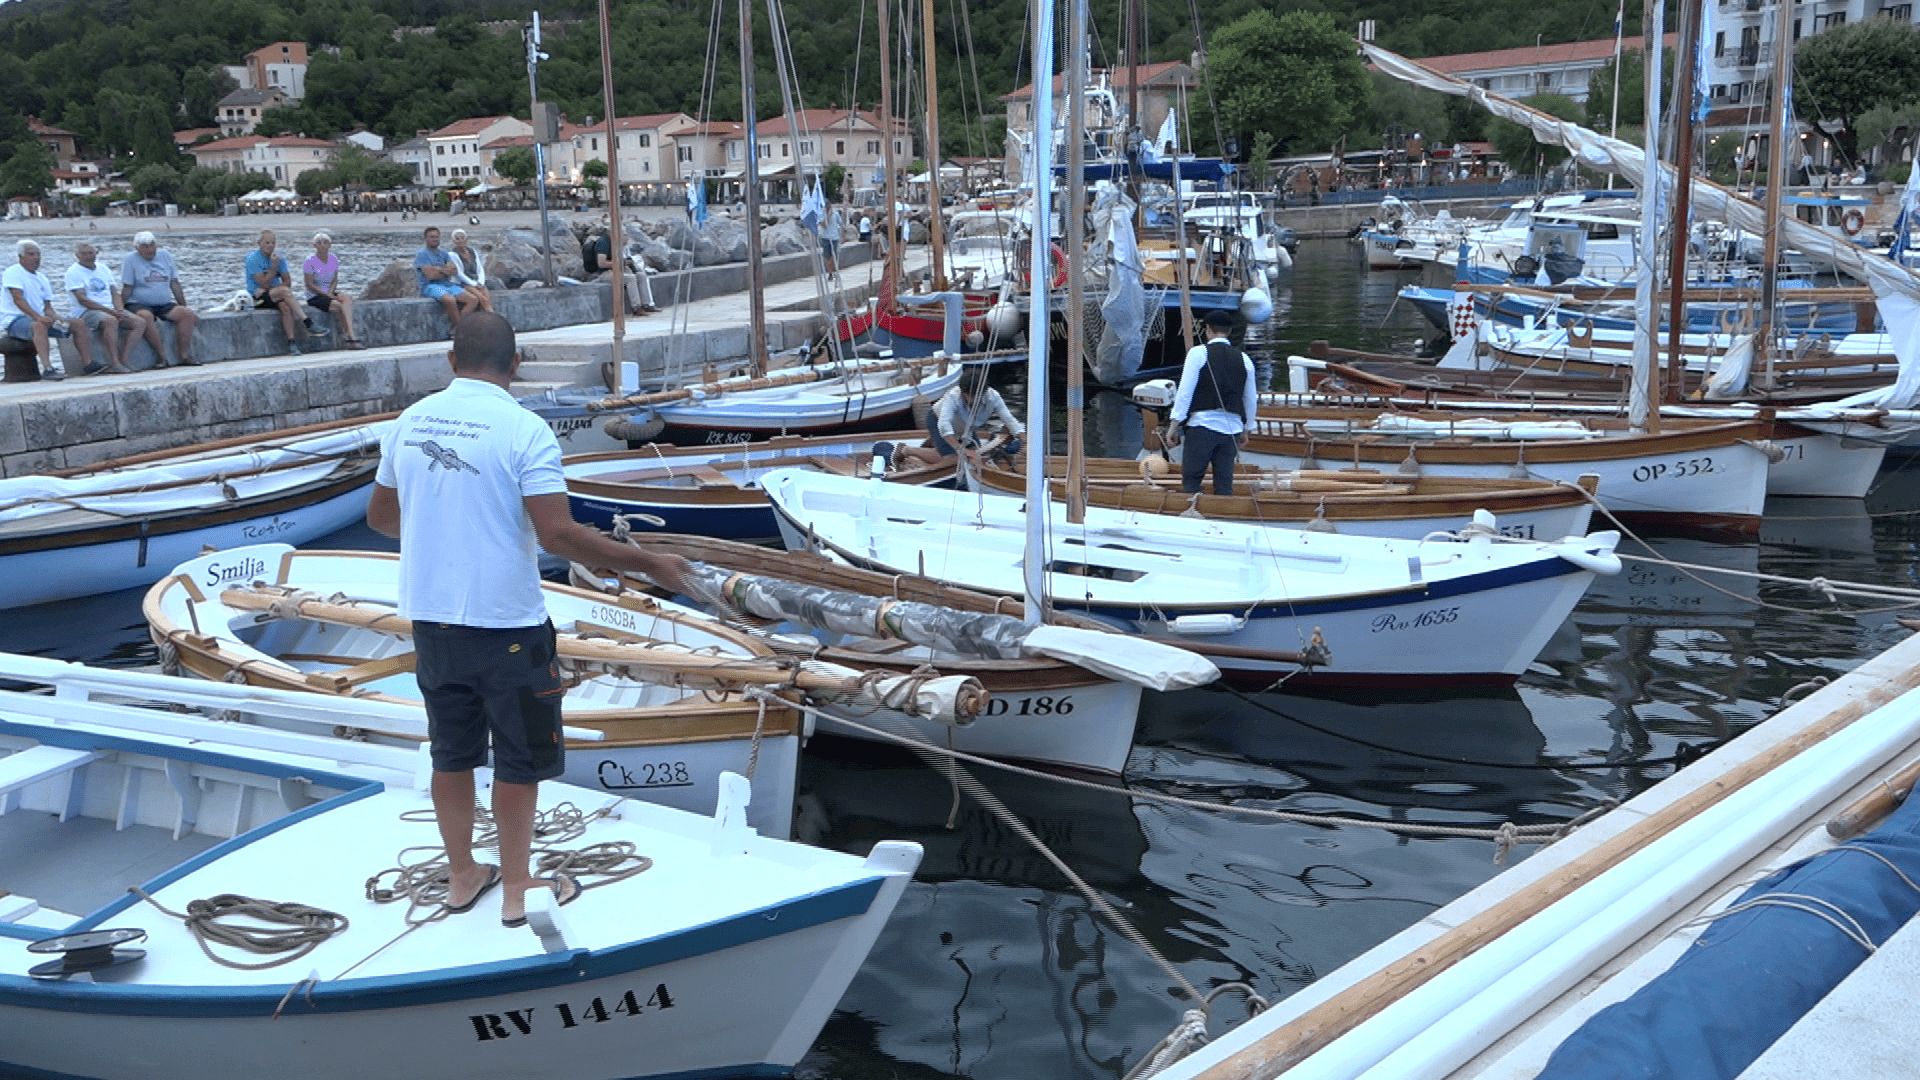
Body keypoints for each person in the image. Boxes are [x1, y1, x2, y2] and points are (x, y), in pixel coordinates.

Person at [365, 311, 692, 927]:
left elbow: (381, 518)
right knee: (517, 761)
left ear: (450, 361)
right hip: (507, 626)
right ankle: (517, 888)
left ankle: (464, 874)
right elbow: (559, 535)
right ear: (516, 365)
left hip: (432, 623)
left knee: (451, 754)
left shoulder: (409, 423)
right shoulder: (524, 430)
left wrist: (445, 534)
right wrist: (650, 564)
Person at [1166, 309, 1258, 496]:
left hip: (1202, 427)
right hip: (1231, 430)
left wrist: (1174, 425)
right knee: (1224, 484)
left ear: (1207, 329)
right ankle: (1223, 518)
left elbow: (1185, 391)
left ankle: (1192, 515)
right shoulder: (1244, 359)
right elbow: (1250, 398)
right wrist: (1246, 428)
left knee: (1191, 481)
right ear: (1230, 331)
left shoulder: (1198, 353)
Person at [899, 373, 1025, 467]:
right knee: (953, 459)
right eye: (971, 395)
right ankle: (907, 450)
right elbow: (944, 425)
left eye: (978, 395)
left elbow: (1009, 420)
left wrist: (1025, 442)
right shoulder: (953, 397)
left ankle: (937, 448)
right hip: (937, 420)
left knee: (976, 455)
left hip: (966, 426)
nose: (974, 400)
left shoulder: (993, 397)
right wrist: (960, 449)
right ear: (963, 392)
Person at [121, 230, 200, 367]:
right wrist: (119, 309)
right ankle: (161, 357)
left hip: (163, 303)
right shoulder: (131, 259)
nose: (149, 249)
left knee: (186, 314)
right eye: (145, 247)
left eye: (152, 245)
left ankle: (183, 356)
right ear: (137, 248)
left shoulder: (165, 256)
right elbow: (127, 287)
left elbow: (174, 283)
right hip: (138, 303)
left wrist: (184, 305)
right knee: (145, 316)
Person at [2, 241, 75, 380]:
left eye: (38, 254)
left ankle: (86, 365)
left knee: (77, 324)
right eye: (31, 254)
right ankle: (48, 368)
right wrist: (37, 317)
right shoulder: (12, 273)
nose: (36, 257)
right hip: (15, 320)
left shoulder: (42, 278)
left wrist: (58, 318)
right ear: (21, 257)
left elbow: (47, 307)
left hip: (38, 317)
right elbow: (18, 299)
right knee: (38, 326)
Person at [64, 242, 141, 374]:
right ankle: (114, 362)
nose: (88, 256)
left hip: (109, 309)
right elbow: (82, 299)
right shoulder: (73, 272)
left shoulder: (103, 268)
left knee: (139, 322)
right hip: (86, 311)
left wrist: (119, 310)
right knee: (110, 320)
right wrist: (111, 312)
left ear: (96, 253)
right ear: (77, 256)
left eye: (91, 253)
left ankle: (123, 359)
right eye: (84, 254)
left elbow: (114, 292)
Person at [247, 230, 326, 356]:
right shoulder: (252, 259)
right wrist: (273, 267)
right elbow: (263, 284)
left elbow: (288, 282)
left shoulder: (279, 258)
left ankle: (292, 342)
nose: (270, 245)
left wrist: (274, 289)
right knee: (284, 291)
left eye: (273, 243)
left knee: (285, 307)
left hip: (273, 295)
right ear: (259, 243)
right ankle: (308, 322)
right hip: (257, 298)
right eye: (267, 242)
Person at [303, 232, 364, 349]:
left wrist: (331, 292)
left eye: (325, 243)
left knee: (347, 298)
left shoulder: (333, 259)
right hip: (315, 295)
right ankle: (348, 338)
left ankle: (351, 334)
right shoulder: (310, 261)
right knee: (337, 306)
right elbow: (309, 284)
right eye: (319, 243)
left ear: (329, 245)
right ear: (315, 246)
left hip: (328, 292)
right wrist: (326, 294)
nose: (322, 246)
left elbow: (335, 279)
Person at [416, 226, 479, 335]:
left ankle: (457, 326)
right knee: (449, 300)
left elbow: (454, 271)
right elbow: (431, 276)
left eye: (436, 237)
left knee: (473, 300)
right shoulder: (422, 254)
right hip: (430, 286)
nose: (434, 239)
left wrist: (437, 268)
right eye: (431, 237)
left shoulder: (444, 253)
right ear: (425, 239)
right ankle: (460, 329)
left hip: (447, 284)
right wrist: (443, 269)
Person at [583, 227, 657, 315]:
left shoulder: (616, 242)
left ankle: (647, 304)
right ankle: (636, 307)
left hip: (618, 269)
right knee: (631, 278)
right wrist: (619, 263)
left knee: (641, 276)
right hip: (606, 272)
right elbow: (601, 263)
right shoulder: (603, 243)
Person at [447, 228, 494, 313]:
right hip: (463, 283)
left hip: (475, 281)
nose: (460, 241)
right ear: (454, 241)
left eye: (462, 238)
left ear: (466, 240)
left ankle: (491, 316)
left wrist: (480, 282)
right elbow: (459, 274)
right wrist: (474, 284)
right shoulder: (453, 255)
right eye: (457, 239)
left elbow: (479, 268)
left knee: (487, 299)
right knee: (481, 297)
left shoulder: (472, 251)